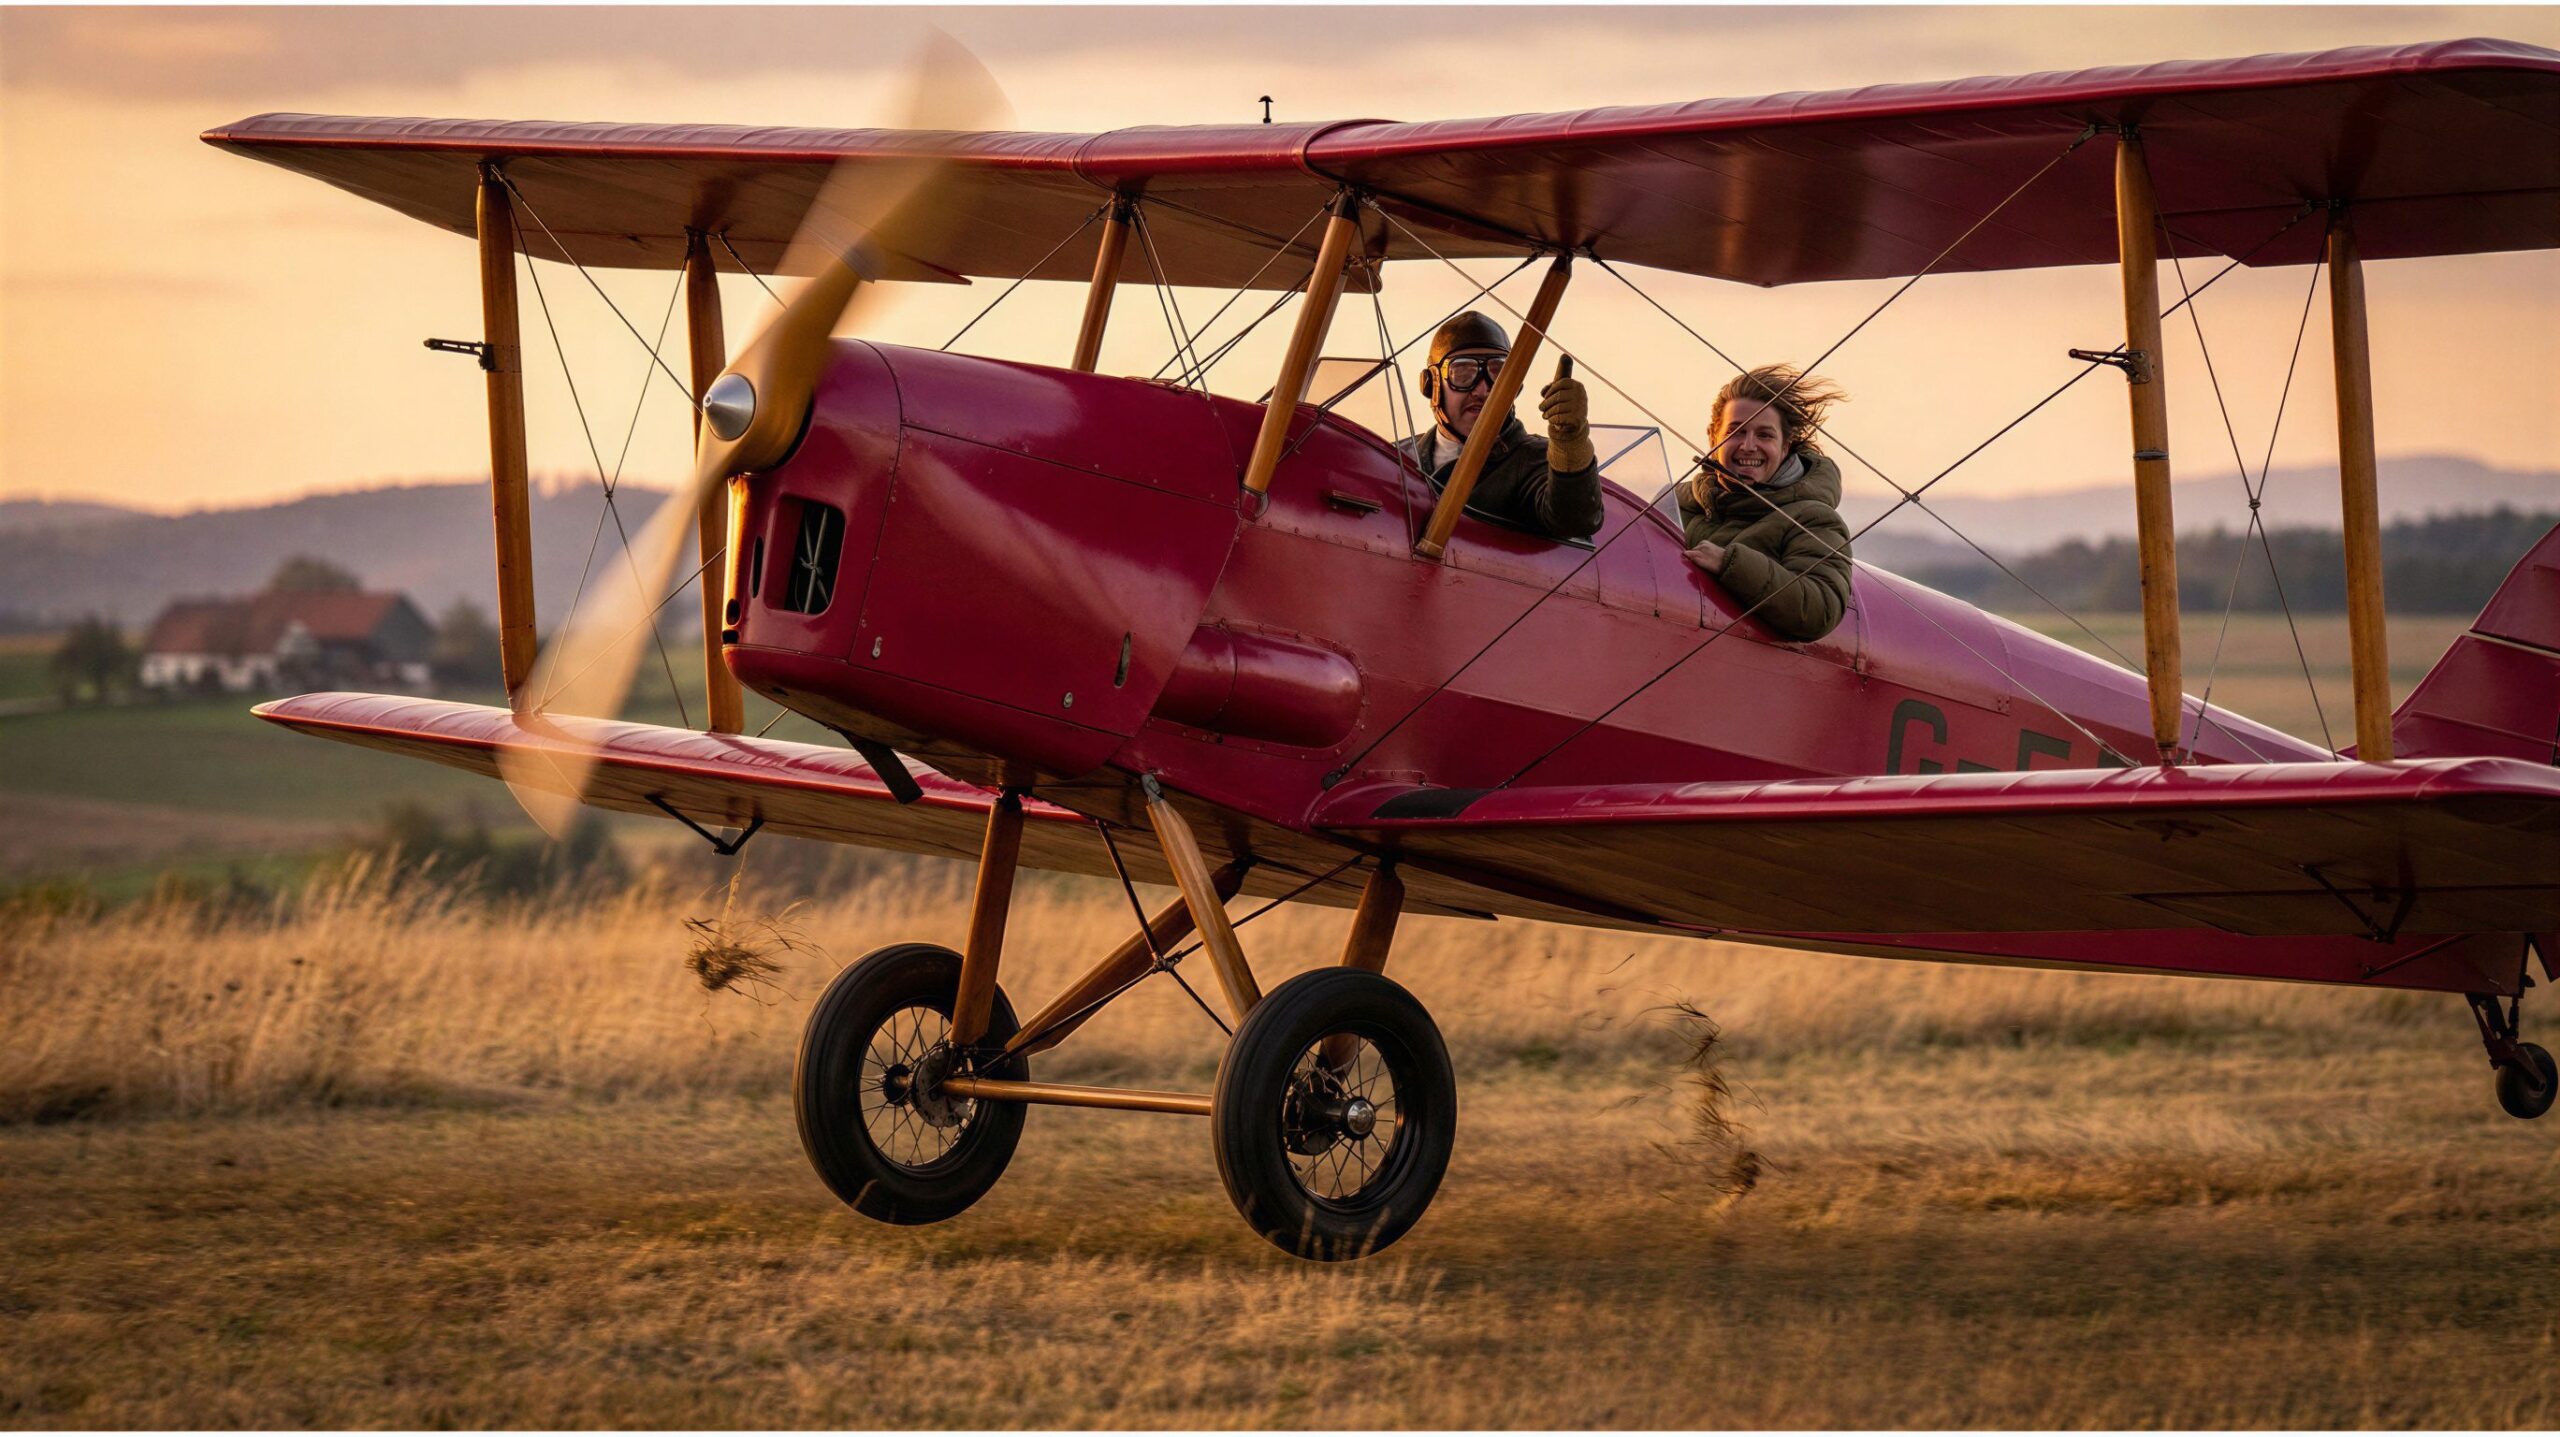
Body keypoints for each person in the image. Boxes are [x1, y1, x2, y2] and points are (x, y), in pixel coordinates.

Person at [1679, 365, 1854, 642]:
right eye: (1736, 432)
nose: (1749, 445)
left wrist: (1730, 563)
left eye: (1764, 435)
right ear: (1714, 437)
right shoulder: (1677, 501)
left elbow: (1819, 608)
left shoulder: (1812, 518)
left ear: (1785, 447)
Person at [1395, 312, 1604, 541]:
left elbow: (1575, 520)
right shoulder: (1396, 457)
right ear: (1432, 385)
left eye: (1497, 373)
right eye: (1463, 374)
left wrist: (1570, 442)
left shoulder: (1535, 458)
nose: (1482, 390)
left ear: (1515, 386)